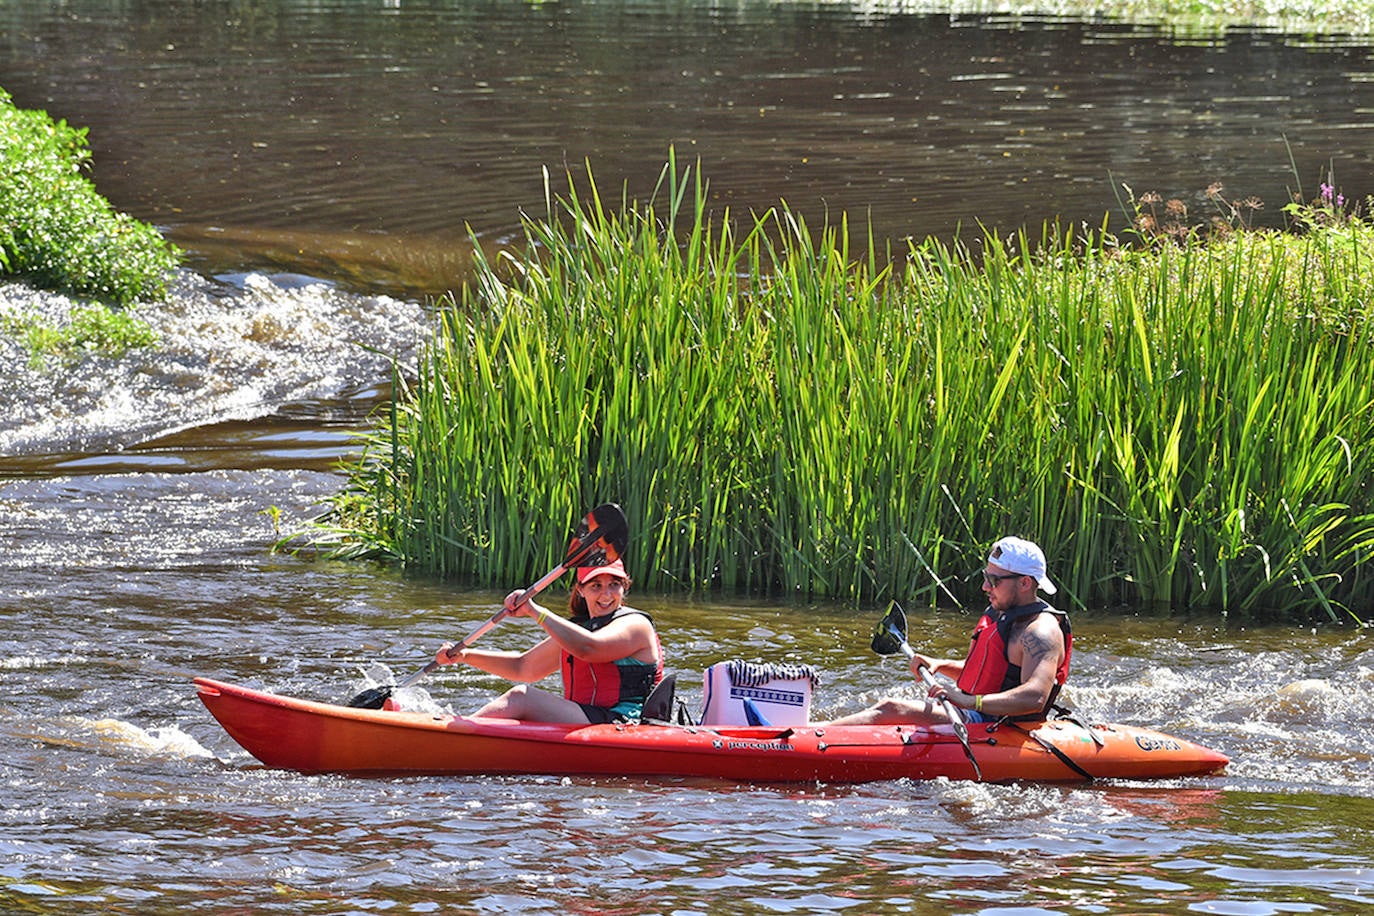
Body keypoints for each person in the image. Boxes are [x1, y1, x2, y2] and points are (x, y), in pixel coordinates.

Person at [828, 536, 1071, 726]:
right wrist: (939, 664)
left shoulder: (1040, 632)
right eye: (987, 576)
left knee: (891, 708)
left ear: (1025, 583)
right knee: (890, 710)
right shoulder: (1004, 613)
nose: (985, 586)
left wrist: (967, 701)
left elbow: (1035, 697)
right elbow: (989, 674)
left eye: (995, 580)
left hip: (1000, 726)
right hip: (980, 714)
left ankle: (801, 738)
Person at [433, 558, 663, 723]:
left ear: (624, 587)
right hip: (590, 718)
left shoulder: (636, 625)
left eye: (614, 584)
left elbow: (589, 648)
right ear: (581, 590)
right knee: (520, 697)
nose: (606, 594)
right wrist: (465, 656)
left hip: (626, 721)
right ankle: (456, 732)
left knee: (521, 698)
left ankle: (451, 737)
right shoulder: (578, 630)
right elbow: (523, 667)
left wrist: (535, 611)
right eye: (596, 586)